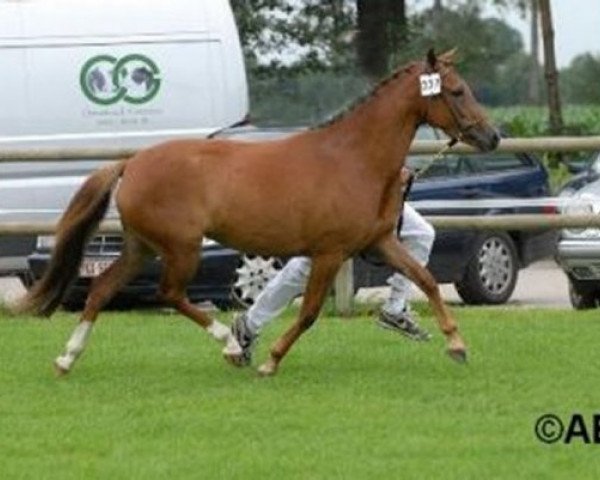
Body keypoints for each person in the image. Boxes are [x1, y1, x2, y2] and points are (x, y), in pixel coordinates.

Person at [230, 203, 435, 366]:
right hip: (345, 191)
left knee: (421, 234)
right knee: (311, 266)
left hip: (378, 191)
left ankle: (395, 308)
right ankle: (249, 324)